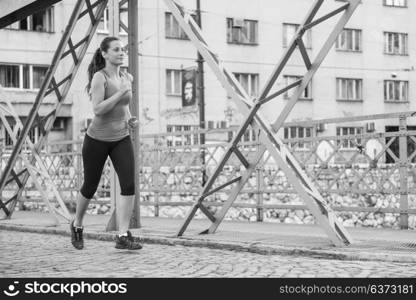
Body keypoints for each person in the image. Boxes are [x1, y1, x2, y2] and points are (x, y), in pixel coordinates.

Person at [70, 36, 142, 250]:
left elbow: (124, 105)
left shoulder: (126, 76)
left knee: (128, 184)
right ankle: (77, 224)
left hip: (121, 137)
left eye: (123, 50)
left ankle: (122, 235)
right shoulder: (99, 78)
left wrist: (130, 118)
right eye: (116, 50)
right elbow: (98, 109)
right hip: (97, 140)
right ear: (104, 54)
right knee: (90, 186)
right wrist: (120, 92)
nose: (121, 53)